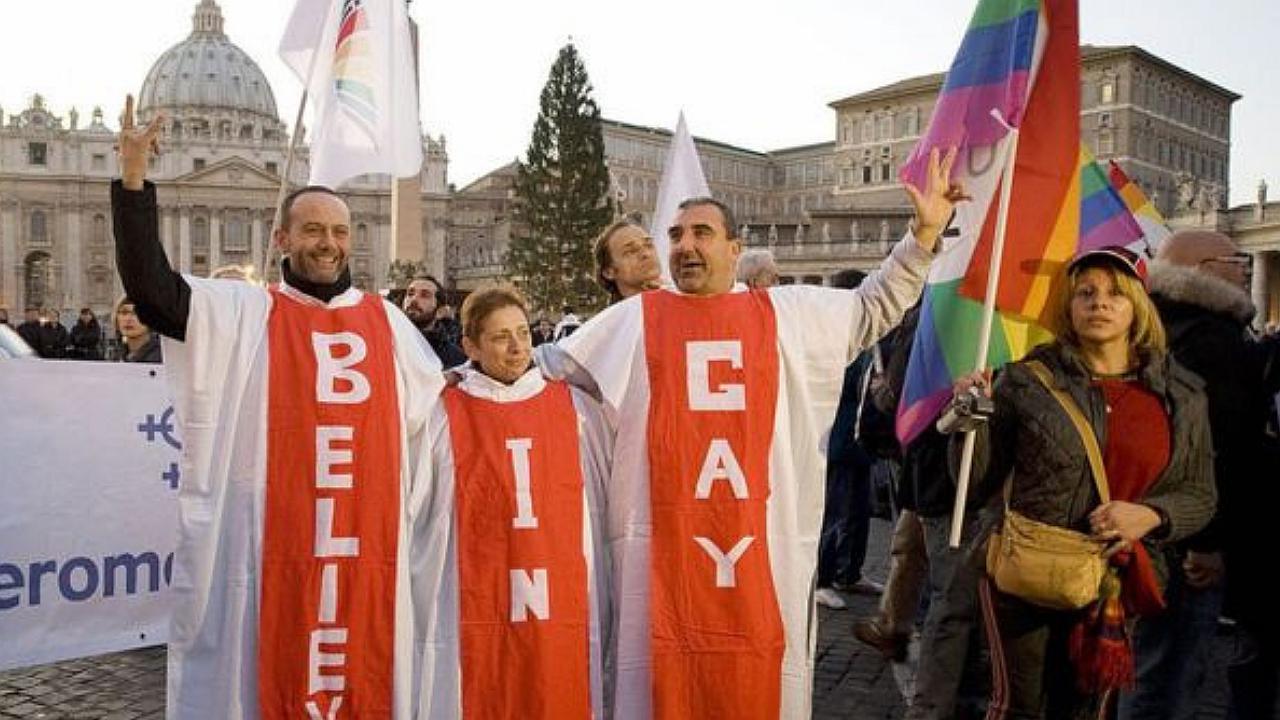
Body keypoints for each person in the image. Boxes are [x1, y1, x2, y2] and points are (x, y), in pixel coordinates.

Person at [541, 146, 965, 718]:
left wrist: (924, 234)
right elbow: (542, 372)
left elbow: (875, 305)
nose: (685, 245)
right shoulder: (633, 320)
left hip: (760, 547)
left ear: (735, 250)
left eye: (701, 233)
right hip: (660, 552)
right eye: (675, 234)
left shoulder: (785, 313)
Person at [110, 95, 443, 719]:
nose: (328, 243)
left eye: (340, 231)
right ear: (283, 237)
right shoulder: (245, 313)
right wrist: (133, 183)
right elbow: (154, 293)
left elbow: (440, 418)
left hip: (362, 545)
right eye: (313, 230)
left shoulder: (390, 324)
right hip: (271, 545)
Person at [953, 246, 1215, 720]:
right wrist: (970, 422)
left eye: (1115, 293)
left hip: (1116, 577)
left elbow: (1200, 493)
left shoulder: (1182, 394)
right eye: (1086, 293)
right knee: (1018, 709)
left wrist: (1152, 514)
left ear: (1138, 306)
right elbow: (974, 483)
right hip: (1027, 570)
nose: (1100, 303)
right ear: (1068, 308)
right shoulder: (1025, 381)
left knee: (1089, 710)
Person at [414, 286, 611, 718]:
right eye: (501, 336)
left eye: (523, 332)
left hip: (556, 589)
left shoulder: (573, 408)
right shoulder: (441, 412)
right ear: (470, 346)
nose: (518, 346)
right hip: (475, 593)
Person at [1121, 231, 1280, 720]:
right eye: (1236, 260)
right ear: (1205, 269)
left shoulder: (1147, 332)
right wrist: (1208, 542)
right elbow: (1216, 448)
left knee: (1146, 664)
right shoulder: (1215, 341)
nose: (1245, 269)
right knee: (1169, 674)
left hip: (1147, 524)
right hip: (1190, 534)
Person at [815, 268, 885, 610]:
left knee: (859, 510)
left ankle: (851, 571)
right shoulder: (833, 340)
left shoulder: (867, 339)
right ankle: (823, 577)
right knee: (834, 510)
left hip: (862, 441)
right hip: (839, 438)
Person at [403, 274, 466, 367]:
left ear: (439, 309)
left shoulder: (455, 358)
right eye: (410, 294)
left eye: (424, 295)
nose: (414, 299)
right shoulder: (387, 342)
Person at [594, 218, 662, 303]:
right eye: (631, 251)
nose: (646, 254)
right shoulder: (616, 315)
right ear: (608, 272)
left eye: (649, 245)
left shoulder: (680, 299)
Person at [113, 297, 162, 363]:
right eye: (124, 313)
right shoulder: (118, 356)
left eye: (137, 313)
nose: (128, 319)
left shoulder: (161, 357)